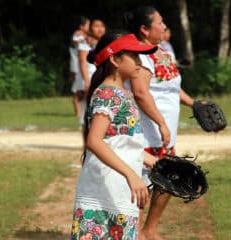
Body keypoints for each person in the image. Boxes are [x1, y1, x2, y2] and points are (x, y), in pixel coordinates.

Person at [70, 31, 159, 240]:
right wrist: (131, 174)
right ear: (115, 59)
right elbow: (94, 140)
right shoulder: (108, 93)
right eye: (134, 57)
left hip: (118, 189)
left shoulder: (123, 93)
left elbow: (120, 140)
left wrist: (155, 162)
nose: (140, 62)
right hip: (104, 191)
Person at [123, 6, 195, 240]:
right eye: (159, 22)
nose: (164, 26)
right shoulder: (141, 56)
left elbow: (172, 88)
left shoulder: (161, 51)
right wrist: (161, 123)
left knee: (167, 181)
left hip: (164, 135)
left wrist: (194, 104)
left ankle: (149, 230)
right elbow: (141, 92)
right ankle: (133, 233)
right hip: (147, 135)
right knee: (142, 188)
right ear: (144, 29)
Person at [76, 18, 106, 126]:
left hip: (101, 76)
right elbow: (82, 61)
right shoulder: (86, 42)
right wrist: (86, 81)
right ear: (90, 29)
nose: (99, 29)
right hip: (89, 75)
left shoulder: (105, 42)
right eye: (96, 26)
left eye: (101, 26)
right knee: (87, 103)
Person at [69, 16, 89, 119]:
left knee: (81, 90)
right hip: (77, 66)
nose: (88, 27)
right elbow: (77, 42)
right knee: (78, 90)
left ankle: (82, 111)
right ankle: (77, 113)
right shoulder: (78, 35)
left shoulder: (83, 36)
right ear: (81, 26)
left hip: (80, 66)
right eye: (87, 25)